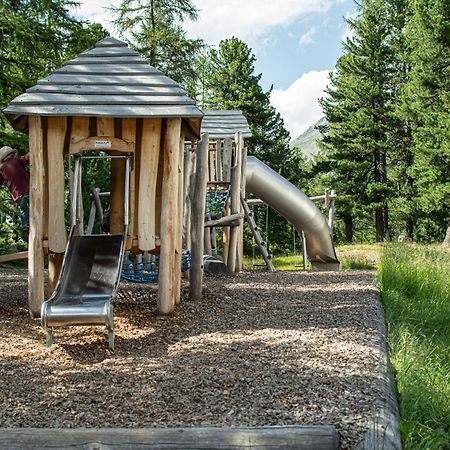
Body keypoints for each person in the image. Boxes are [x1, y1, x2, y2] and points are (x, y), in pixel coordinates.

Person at [0, 146, 30, 241]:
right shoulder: (17, 161)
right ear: (12, 154)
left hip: (17, 195)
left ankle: (26, 227)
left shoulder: (2, 169)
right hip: (28, 190)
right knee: (31, 209)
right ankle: (32, 224)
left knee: (24, 210)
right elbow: (27, 157)